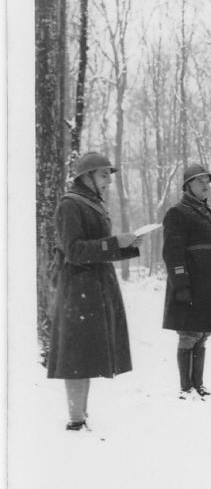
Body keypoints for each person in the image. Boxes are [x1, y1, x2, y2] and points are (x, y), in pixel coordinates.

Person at [47, 151, 142, 430]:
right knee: (76, 355)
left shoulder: (92, 204)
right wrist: (115, 242)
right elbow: (75, 251)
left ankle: (81, 417)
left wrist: (128, 245)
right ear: (85, 176)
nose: (107, 182)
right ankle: (76, 420)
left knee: (84, 354)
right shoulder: (70, 205)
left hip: (95, 285)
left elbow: (98, 247)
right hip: (78, 288)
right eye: (103, 175)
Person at [162, 163, 211, 400]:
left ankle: (198, 385)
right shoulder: (178, 212)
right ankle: (186, 388)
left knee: (203, 333)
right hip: (192, 283)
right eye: (199, 181)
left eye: (207, 181)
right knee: (189, 333)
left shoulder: (205, 212)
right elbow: (173, 252)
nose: (206, 186)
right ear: (187, 186)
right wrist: (181, 283)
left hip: (209, 284)